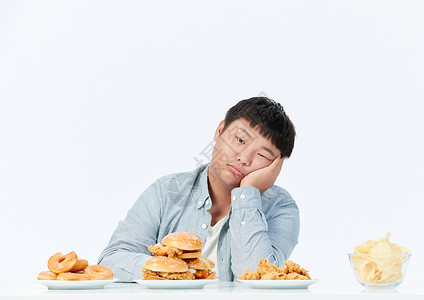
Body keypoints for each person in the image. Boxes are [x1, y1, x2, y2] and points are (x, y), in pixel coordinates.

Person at [98, 97, 299, 281]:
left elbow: (255, 279)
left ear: (276, 165)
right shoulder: (166, 192)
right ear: (220, 130)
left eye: (262, 155)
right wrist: (171, 268)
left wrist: (247, 193)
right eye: (239, 140)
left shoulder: (280, 208)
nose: (244, 158)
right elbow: (111, 261)